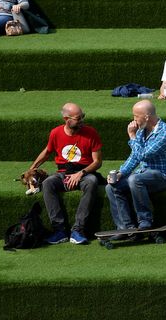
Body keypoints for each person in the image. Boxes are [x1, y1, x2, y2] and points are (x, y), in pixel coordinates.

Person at [26, 103, 103, 245]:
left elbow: (97, 162)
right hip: (62, 174)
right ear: (66, 119)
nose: (82, 121)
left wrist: (82, 172)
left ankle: (78, 229)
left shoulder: (91, 132)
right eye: (78, 118)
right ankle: (59, 230)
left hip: (84, 173)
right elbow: (47, 151)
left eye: (82, 117)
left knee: (92, 182)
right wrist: (32, 168)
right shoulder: (56, 133)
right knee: (48, 183)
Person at [106, 100, 166, 234]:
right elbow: (134, 156)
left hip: (162, 176)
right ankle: (125, 227)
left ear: (146, 117)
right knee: (112, 186)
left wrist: (132, 136)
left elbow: (144, 155)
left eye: (135, 116)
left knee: (134, 179)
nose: (133, 120)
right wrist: (121, 173)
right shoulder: (141, 131)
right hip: (143, 174)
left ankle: (145, 221)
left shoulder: (165, 133)